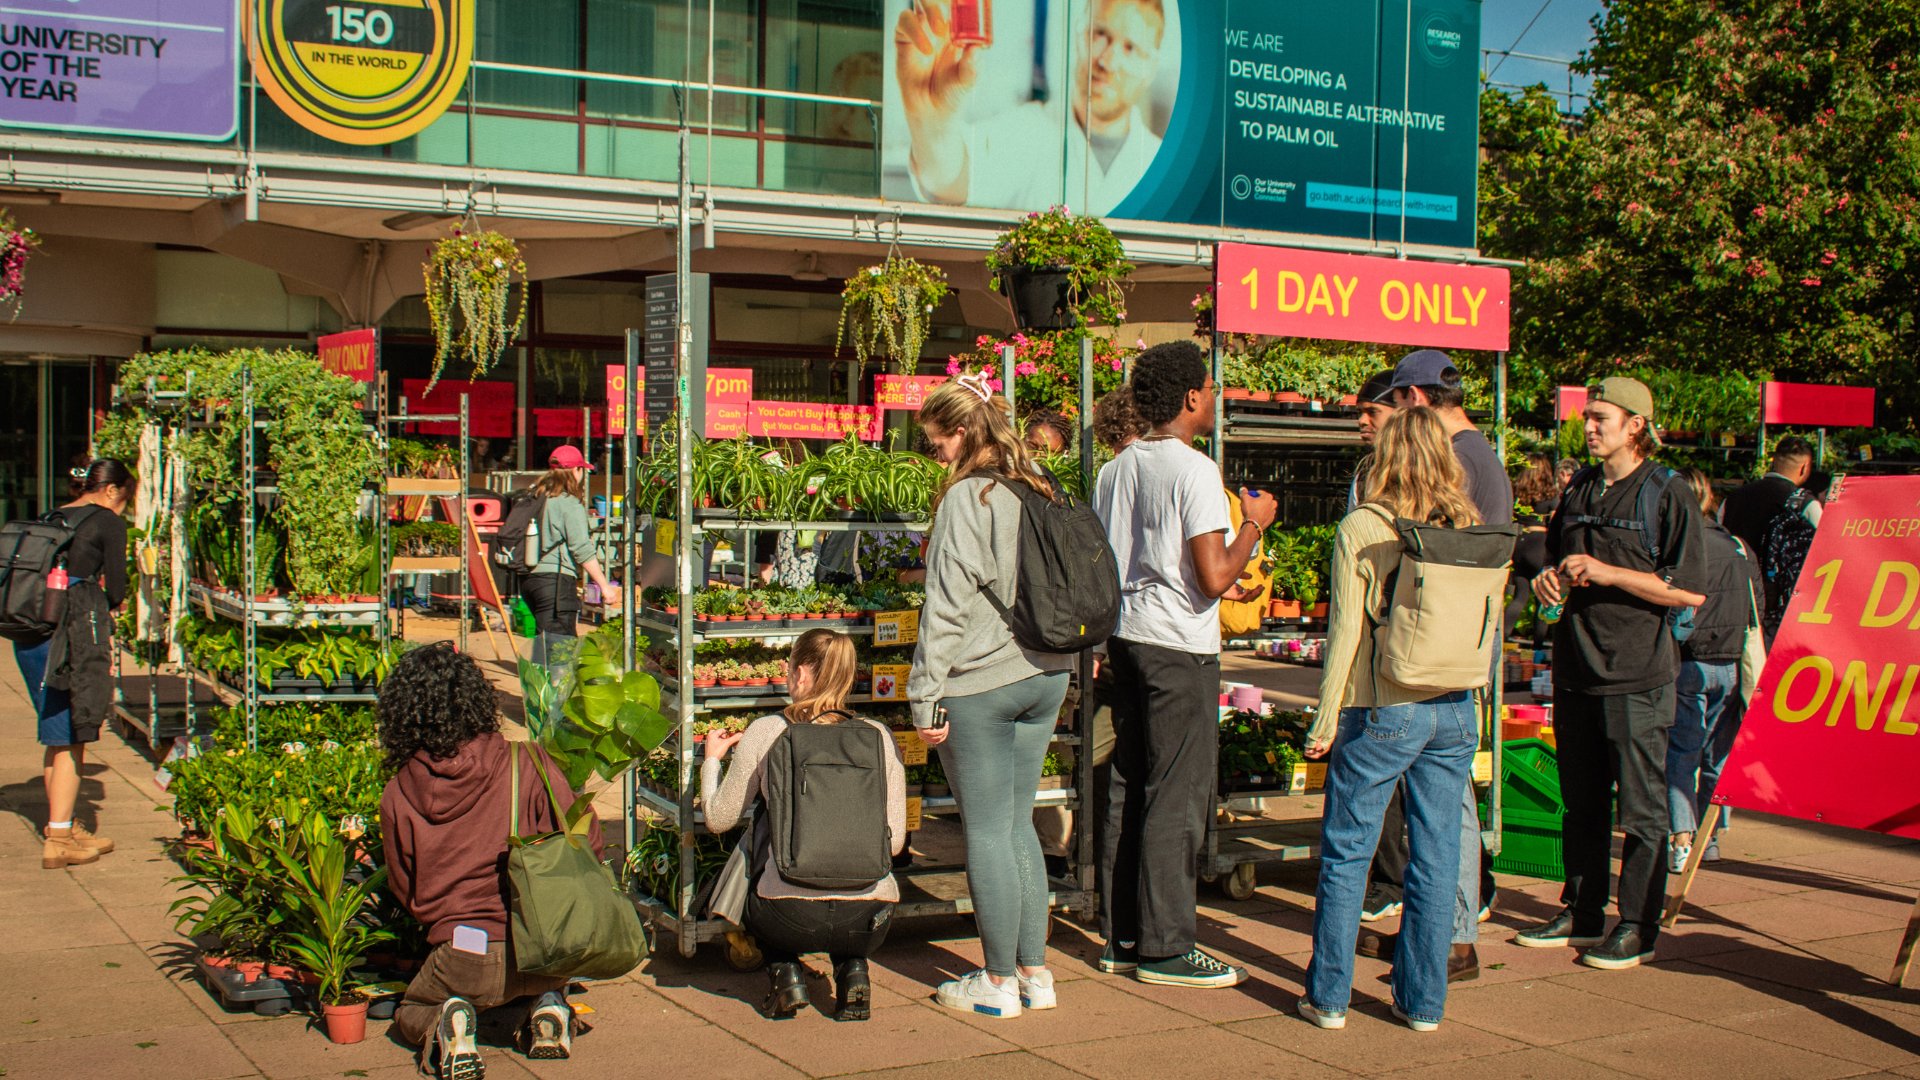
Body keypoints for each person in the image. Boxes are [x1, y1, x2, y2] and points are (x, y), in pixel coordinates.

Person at [1295, 407, 1486, 1034]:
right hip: (1458, 705)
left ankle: (1329, 998)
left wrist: (1325, 720)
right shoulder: (1467, 522)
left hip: (1384, 704)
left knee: (1349, 853)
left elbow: (1347, 630)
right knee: (1436, 853)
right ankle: (1422, 1004)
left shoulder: (1365, 526)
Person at [1094, 340, 1275, 988]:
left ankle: (1123, 935)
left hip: (1126, 638)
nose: (1216, 396)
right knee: (1177, 793)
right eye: (1211, 386)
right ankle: (1167, 946)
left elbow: (1106, 563)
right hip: (1179, 647)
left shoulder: (1115, 469)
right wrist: (1253, 525)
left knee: (1130, 786)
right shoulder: (1196, 471)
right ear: (1191, 396)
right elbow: (1214, 575)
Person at [1521, 377, 1707, 970]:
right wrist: (1548, 580)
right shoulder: (1578, 486)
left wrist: (1609, 572)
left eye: (1602, 417)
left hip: (1639, 674)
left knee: (1643, 809)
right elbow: (1551, 561)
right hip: (1576, 668)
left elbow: (1691, 591)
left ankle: (1638, 925)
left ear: (1636, 426)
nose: (1590, 426)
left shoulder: (1666, 492)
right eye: (1587, 416)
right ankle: (1582, 910)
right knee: (1580, 802)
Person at [907, 374, 1077, 1019]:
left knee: (984, 831)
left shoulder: (967, 499)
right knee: (1016, 825)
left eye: (936, 442)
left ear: (959, 431)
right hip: (1046, 671)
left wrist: (924, 693)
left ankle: (998, 983)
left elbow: (945, 606)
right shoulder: (1039, 484)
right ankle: (1037, 972)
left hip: (980, 681)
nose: (937, 455)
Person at [379, 643, 601, 1077]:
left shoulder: (398, 792)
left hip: (465, 951)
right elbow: (587, 839)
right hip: (545, 950)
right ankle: (550, 1008)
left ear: (402, 714)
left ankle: (451, 1024)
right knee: (541, 984)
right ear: (479, 700)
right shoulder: (528, 762)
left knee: (412, 1011)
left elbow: (404, 888)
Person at [1358, 351, 1509, 982]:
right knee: (1441, 795)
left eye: (1393, 404)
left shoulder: (1464, 459)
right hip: (1455, 645)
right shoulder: (1479, 455)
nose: (1389, 418)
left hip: (1442, 649)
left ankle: (1451, 935)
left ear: (1416, 398)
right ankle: (1438, 930)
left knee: (1449, 802)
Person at [703, 629, 907, 1021]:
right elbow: (895, 842)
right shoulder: (879, 737)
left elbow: (718, 819)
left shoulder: (769, 731)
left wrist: (712, 760)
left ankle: (786, 972)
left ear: (800, 675)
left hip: (785, 916)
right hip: (869, 919)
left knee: (758, 837)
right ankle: (853, 970)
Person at [894, 0, 1167, 213]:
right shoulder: (1030, 132)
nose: (1107, 61)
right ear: (1080, 34)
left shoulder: (1162, 165)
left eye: (1131, 48)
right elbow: (949, 179)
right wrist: (932, 125)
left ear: (1150, 69)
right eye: (1099, 34)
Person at [16, 458, 132, 870]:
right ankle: (61, 838)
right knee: (71, 733)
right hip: (71, 636)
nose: (124, 509)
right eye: (126, 499)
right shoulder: (107, 521)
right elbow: (116, 588)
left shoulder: (51, 516)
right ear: (113, 490)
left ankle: (60, 826)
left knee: (55, 730)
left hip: (31, 633)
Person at [1666, 470, 1762, 870]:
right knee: (1717, 757)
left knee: (1681, 754)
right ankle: (1711, 836)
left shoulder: (1682, 546)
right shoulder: (1737, 546)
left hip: (1690, 660)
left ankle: (1681, 838)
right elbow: (1757, 603)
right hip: (1732, 661)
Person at [521, 446, 614, 665]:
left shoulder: (536, 496)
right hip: (555, 581)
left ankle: (541, 695)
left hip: (529, 580)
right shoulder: (568, 503)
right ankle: (552, 697)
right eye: (581, 470)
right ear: (575, 471)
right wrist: (604, 585)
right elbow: (581, 548)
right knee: (559, 649)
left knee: (545, 645)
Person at [1718, 436, 1821, 553]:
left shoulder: (1733, 498)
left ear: (1773, 461)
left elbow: (1719, 536)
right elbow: (1822, 544)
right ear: (1805, 468)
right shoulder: (1805, 503)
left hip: (1738, 569)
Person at [1346, 369, 1397, 511]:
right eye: (1360, 412)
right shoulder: (1365, 473)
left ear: (1401, 413)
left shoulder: (1427, 468)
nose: (1362, 421)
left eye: (1372, 412)